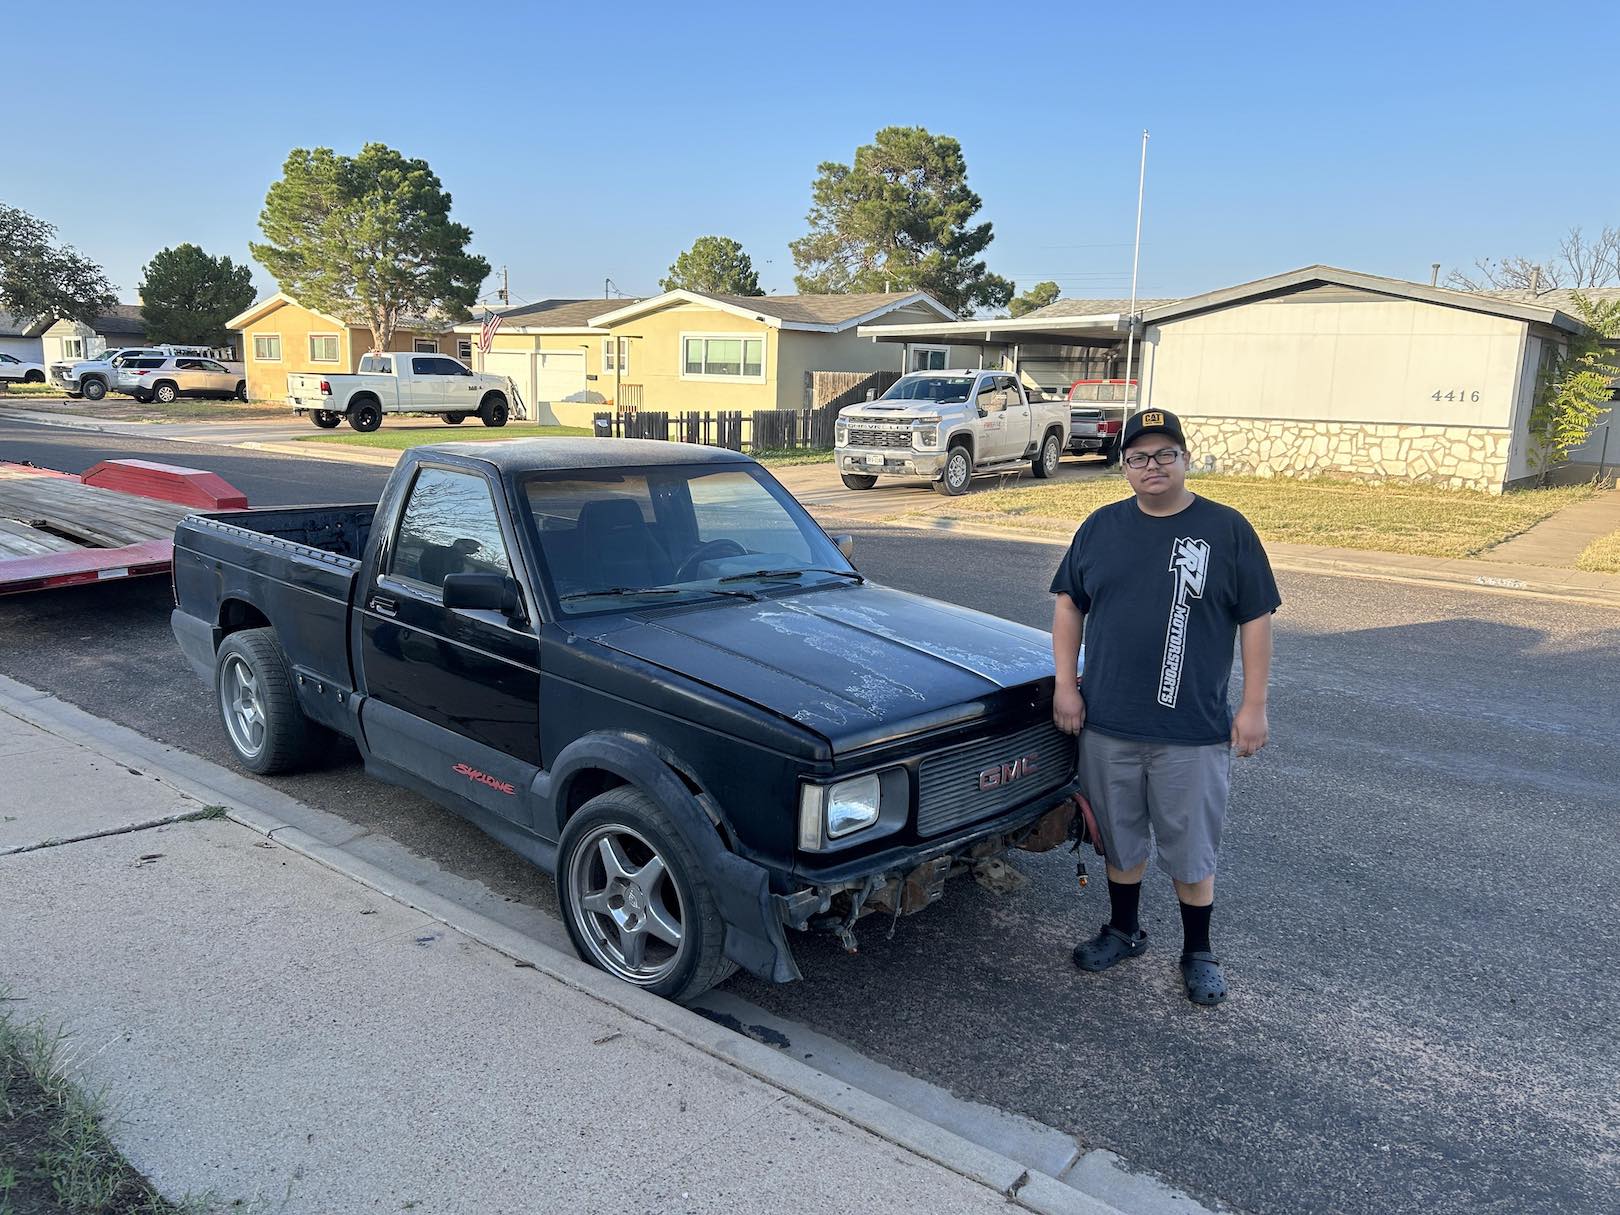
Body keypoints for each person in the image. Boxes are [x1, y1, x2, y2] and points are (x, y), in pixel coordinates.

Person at [1049, 408, 1279, 1005]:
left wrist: (1253, 706)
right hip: (1108, 723)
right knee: (1121, 842)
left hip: (1192, 731)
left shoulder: (1226, 530)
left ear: (1184, 459)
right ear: (1123, 466)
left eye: (1164, 455)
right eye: (1138, 457)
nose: (1152, 466)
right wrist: (1066, 686)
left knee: (1190, 849)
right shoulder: (1100, 528)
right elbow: (1069, 604)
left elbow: (1256, 619)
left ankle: (1197, 952)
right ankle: (1124, 931)